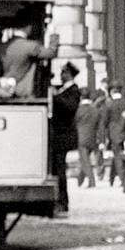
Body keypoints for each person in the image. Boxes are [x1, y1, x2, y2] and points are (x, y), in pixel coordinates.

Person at [0, 16, 59, 97]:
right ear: (29, 27)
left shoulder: (3, 47)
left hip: (6, 90)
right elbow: (51, 52)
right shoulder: (30, 46)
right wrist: (53, 33)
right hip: (24, 92)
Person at [50, 62, 81, 216]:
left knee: (60, 170)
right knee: (56, 169)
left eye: (63, 72)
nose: (61, 75)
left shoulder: (73, 90)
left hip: (63, 135)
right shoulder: (64, 90)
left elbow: (70, 107)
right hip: (57, 134)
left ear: (68, 74)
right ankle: (57, 200)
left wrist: (55, 97)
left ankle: (62, 201)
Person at [101, 80, 125, 187]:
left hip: (114, 133)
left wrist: (103, 137)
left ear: (111, 91)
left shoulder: (109, 104)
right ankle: (112, 177)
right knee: (119, 154)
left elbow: (104, 122)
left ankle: (122, 178)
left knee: (117, 155)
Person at [75, 89, 101, 188]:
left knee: (85, 160)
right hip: (93, 137)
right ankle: (80, 178)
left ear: (81, 97)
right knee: (85, 159)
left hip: (81, 137)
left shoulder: (78, 109)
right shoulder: (95, 109)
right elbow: (99, 124)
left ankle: (91, 181)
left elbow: (74, 122)